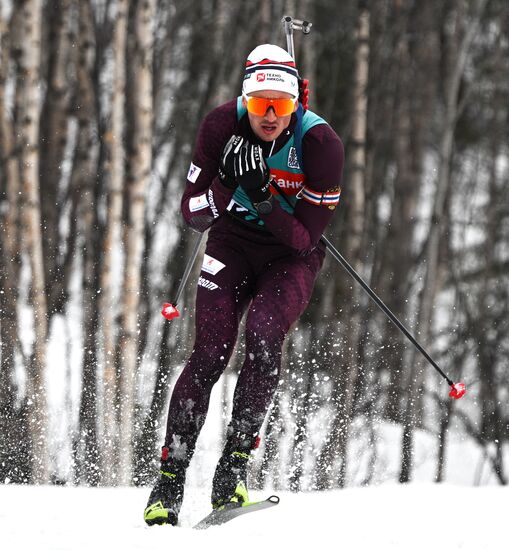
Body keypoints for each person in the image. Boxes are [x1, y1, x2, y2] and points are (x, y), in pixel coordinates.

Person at [144, 43, 344, 526]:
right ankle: (169, 482)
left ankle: (232, 470)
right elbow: (193, 216)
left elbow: (302, 240)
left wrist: (261, 194)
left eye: (282, 105)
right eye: (259, 105)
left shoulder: (321, 145)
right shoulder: (219, 126)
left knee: (262, 336)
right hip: (230, 243)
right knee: (211, 350)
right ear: (244, 100)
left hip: (289, 256)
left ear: (299, 101)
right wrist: (226, 186)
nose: (271, 116)